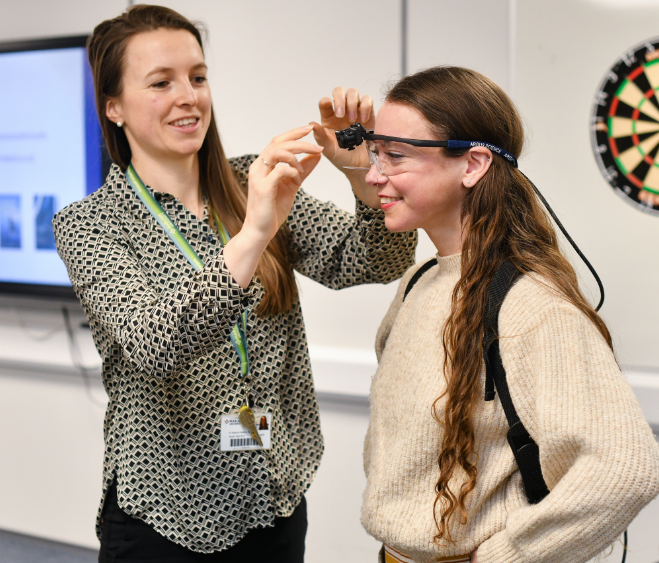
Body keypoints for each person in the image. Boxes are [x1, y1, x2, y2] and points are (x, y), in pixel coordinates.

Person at [52, 5, 416, 562]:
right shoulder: (90, 224)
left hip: (273, 494)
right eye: (161, 82)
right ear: (113, 106)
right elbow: (156, 342)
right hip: (166, 514)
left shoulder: (253, 179)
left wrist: (362, 174)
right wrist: (253, 233)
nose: (188, 96)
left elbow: (369, 261)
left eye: (198, 77)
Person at [361, 66, 659, 563]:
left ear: (473, 164)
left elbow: (625, 468)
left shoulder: (531, 306)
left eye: (395, 156)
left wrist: (507, 556)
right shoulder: (417, 284)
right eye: (375, 154)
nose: (374, 175)